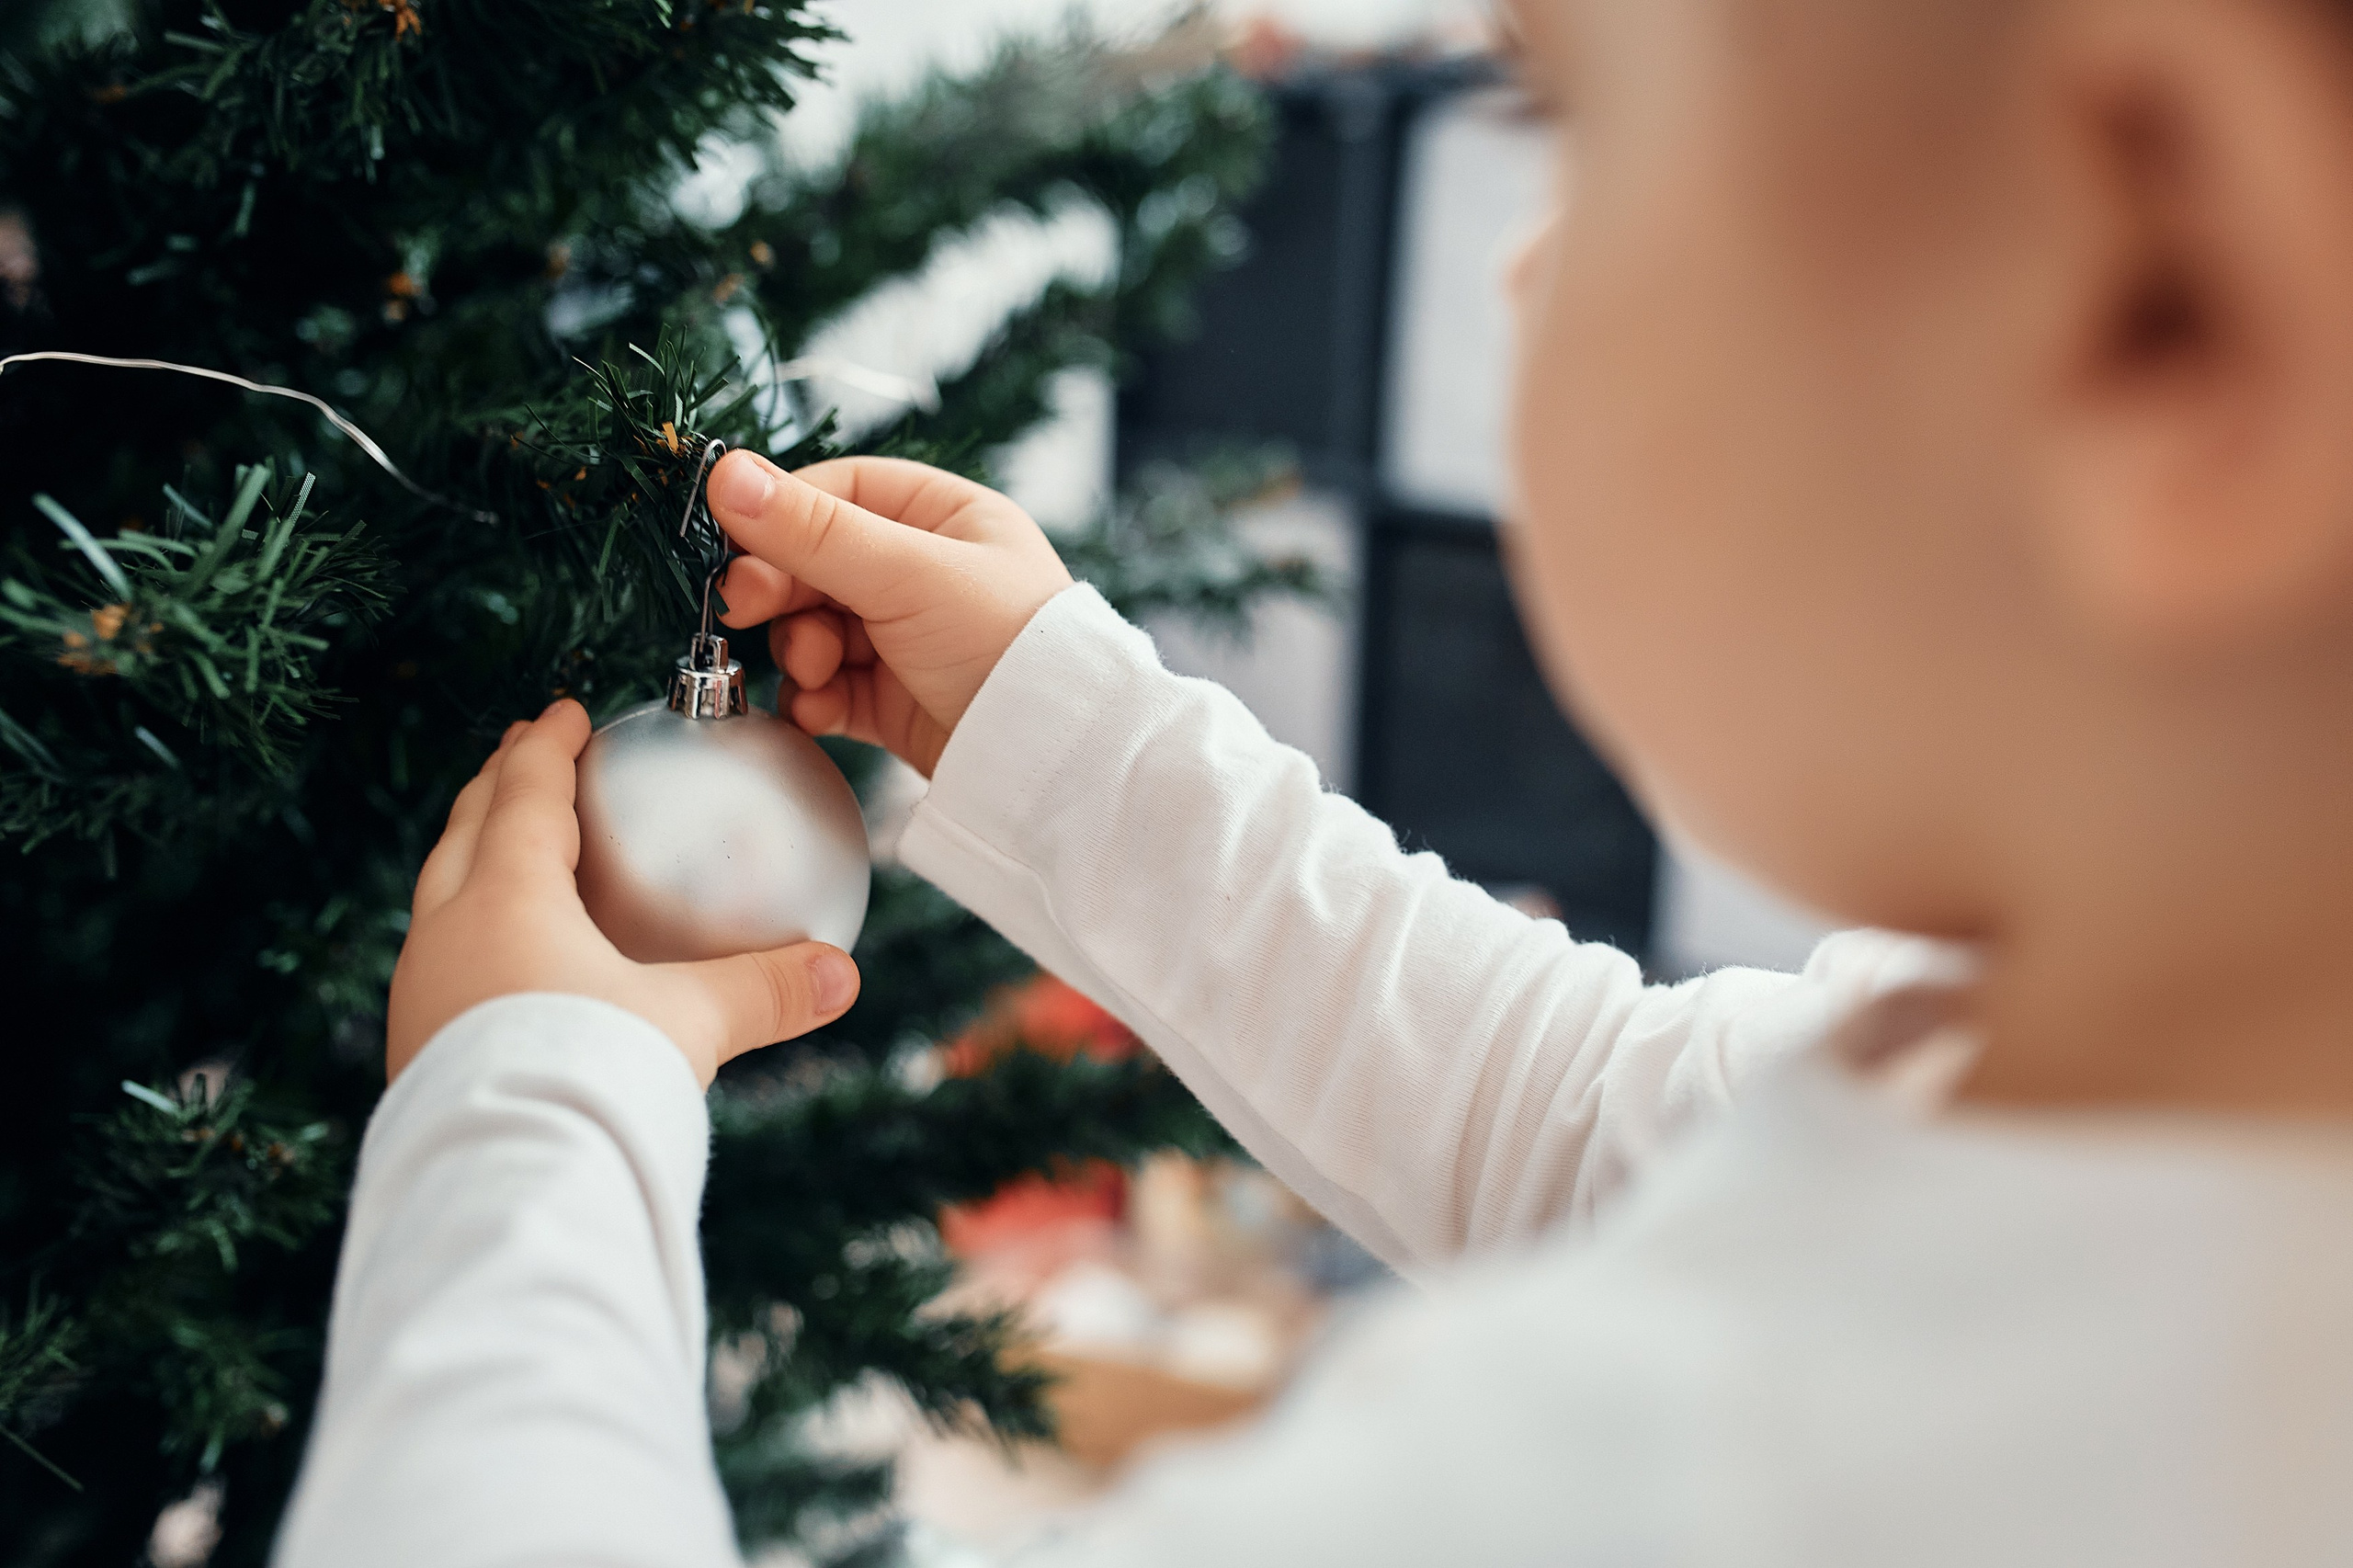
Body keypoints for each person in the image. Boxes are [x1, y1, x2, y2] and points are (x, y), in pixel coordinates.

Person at [274, 0, 2353, 1562]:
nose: (1518, 268)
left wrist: (529, 1098)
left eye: (1573, 116)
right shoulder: (2066, 1120)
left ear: (2158, 305)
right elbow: (1562, 1124)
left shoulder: (1676, 1479)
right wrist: (1060, 728)